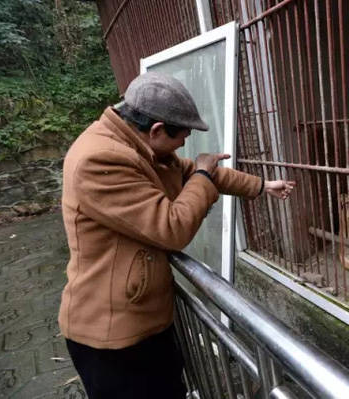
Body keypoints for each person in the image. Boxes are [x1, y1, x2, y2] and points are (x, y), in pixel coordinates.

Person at [58, 72, 295, 398]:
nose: (183, 145)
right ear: (156, 130)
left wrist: (261, 186)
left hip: (141, 318)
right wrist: (201, 173)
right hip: (114, 336)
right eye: (180, 137)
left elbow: (196, 172)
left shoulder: (136, 145)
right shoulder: (101, 160)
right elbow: (172, 228)